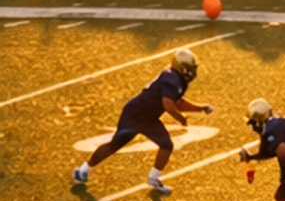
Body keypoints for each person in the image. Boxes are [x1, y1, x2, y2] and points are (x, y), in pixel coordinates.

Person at [72, 47, 212, 193]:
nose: (191, 72)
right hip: (135, 115)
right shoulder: (172, 78)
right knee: (114, 145)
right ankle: (82, 170)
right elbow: (169, 104)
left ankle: (153, 178)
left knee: (166, 145)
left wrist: (200, 108)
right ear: (179, 67)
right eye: (188, 68)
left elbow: (178, 102)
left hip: (149, 118)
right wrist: (181, 118)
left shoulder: (176, 78)